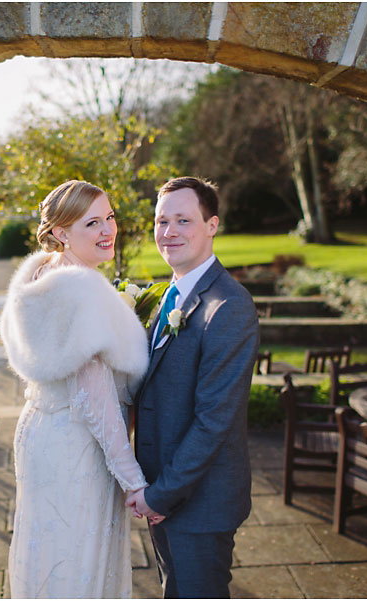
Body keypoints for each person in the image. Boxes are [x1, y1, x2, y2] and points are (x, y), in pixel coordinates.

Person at [0, 180, 152, 598]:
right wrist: (133, 480)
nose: (108, 230)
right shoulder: (79, 289)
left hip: (41, 431)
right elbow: (95, 398)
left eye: (110, 218)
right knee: (78, 560)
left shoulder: (44, 277)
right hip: (78, 446)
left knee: (50, 556)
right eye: (92, 223)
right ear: (61, 233)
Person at [126, 176, 259, 598]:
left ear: (212, 225)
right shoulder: (168, 296)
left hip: (198, 502)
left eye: (183, 220)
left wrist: (160, 496)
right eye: (162, 220)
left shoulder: (228, 306)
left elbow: (214, 421)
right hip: (166, 490)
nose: (169, 232)